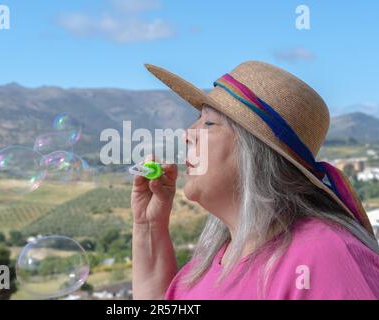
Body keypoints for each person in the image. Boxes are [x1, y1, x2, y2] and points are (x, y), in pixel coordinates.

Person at [131, 61, 379, 300]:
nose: (187, 134)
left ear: (254, 154)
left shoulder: (323, 258)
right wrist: (148, 226)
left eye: (208, 123)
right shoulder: (209, 265)